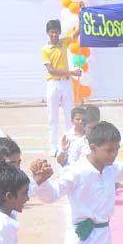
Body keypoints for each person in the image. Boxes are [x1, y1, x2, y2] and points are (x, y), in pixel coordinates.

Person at [42, 19, 81, 157]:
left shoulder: (64, 42)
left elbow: (78, 31)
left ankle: (71, 144)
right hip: (53, 84)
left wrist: (82, 12)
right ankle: (53, 146)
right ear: (48, 33)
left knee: (69, 114)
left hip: (66, 83)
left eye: (56, 31)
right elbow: (51, 70)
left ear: (59, 32)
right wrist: (72, 72)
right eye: (52, 32)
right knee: (53, 116)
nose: (54, 34)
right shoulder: (45, 49)